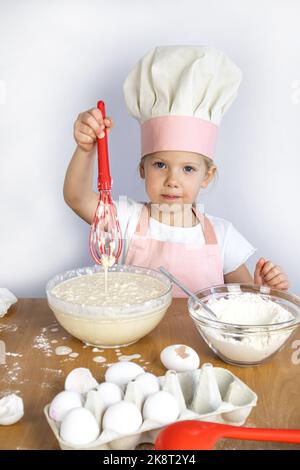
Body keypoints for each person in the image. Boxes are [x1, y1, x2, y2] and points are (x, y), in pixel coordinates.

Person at [63, 45, 289, 297]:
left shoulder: (223, 237)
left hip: (198, 338)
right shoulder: (126, 219)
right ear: (142, 169)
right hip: (137, 335)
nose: (172, 180)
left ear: (208, 175)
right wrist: (85, 149)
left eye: (188, 169)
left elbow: (244, 302)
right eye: (160, 165)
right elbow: (77, 198)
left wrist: (260, 291)